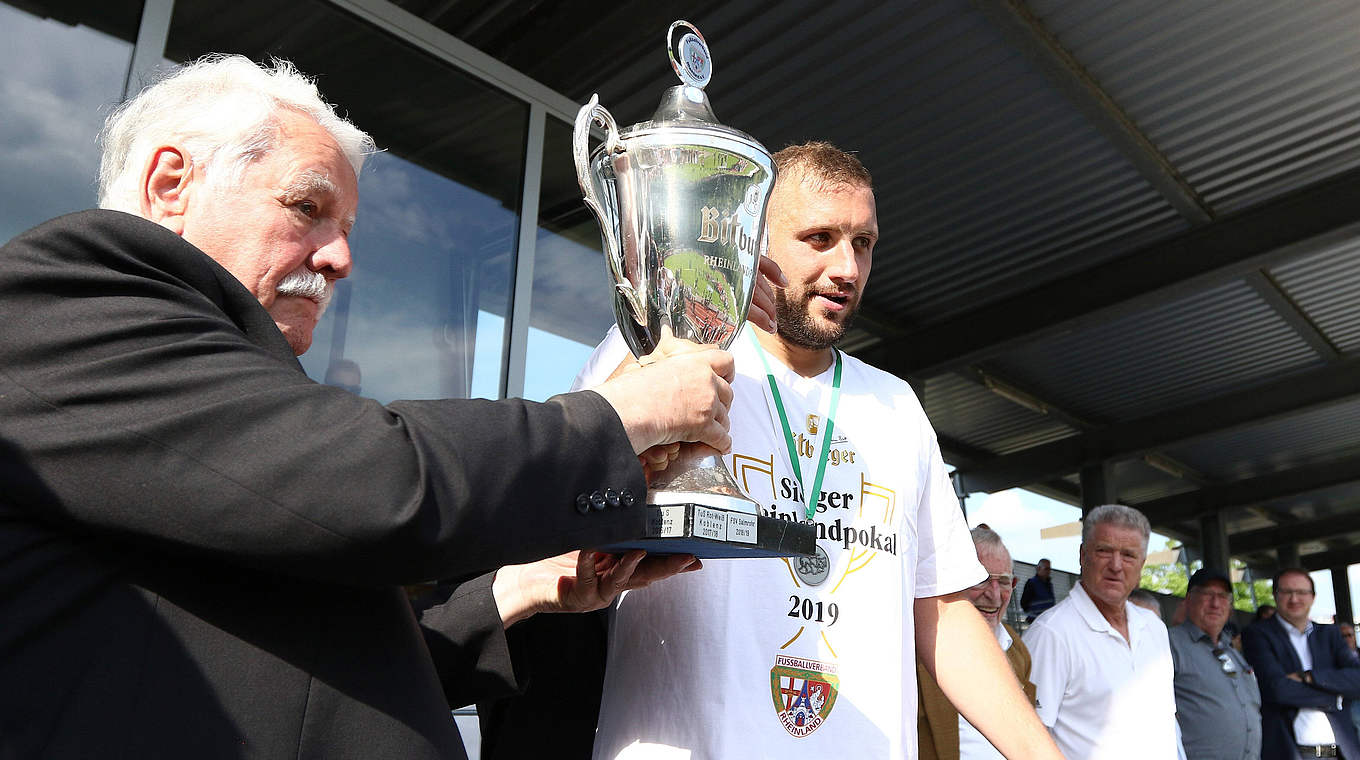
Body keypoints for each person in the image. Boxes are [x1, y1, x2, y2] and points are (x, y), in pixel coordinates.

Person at [0, 55, 746, 759]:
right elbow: (378, 479)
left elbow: (309, 658)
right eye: (307, 207)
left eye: (347, 229)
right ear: (171, 185)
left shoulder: (221, 437)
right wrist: (615, 419)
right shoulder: (61, 302)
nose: (340, 259)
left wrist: (518, 589)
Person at [581, 142, 1061, 759]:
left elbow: (940, 610)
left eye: (863, 244)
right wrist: (685, 321)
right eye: (819, 238)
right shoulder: (670, 355)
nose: (848, 269)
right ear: (751, 240)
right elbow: (567, 502)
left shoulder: (896, 406)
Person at [1024, 504, 1178, 758]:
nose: (1116, 565)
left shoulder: (1154, 628)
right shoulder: (1051, 634)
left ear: (1142, 565)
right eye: (1104, 551)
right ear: (1083, 555)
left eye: (1128, 555)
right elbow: (1028, 742)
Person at [917, 527, 1038, 760]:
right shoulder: (918, 650)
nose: (994, 595)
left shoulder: (1016, 649)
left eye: (1003, 582)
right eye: (981, 580)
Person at [1242, 568, 1360, 760]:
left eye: (1301, 592)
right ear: (1275, 595)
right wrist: (1335, 697)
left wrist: (1309, 677)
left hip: (1340, 750)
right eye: (1287, 592)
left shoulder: (1330, 635)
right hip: (1290, 750)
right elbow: (1276, 689)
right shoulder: (1257, 634)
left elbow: (1357, 679)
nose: (1294, 599)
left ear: (1312, 597)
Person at [1170, 568, 1262, 760]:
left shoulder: (1231, 649)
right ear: (1188, 600)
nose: (1215, 603)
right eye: (1207, 594)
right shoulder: (1170, 644)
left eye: (1222, 596)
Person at [1021, 558, 1056, 622]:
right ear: (1039, 568)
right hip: (1036, 620)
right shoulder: (1031, 583)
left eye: (1049, 569)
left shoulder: (1049, 584)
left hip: (1048, 620)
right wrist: (1033, 615)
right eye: (1046, 569)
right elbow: (1024, 603)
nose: (1049, 571)